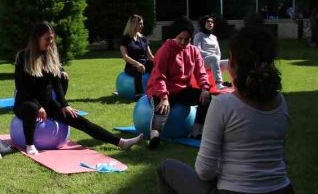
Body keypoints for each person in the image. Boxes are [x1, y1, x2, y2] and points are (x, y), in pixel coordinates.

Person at [156, 26, 295, 194]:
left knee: (167, 168)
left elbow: (204, 171)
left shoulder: (224, 105)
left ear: (234, 63)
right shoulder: (280, 102)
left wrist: (224, 172)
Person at [12, 22, 142, 155]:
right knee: (31, 108)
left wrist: (64, 105)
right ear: (37, 38)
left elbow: (56, 83)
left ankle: (121, 142)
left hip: (48, 104)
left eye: (52, 38)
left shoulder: (50, 55)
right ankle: (30, 145)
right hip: (25, 103)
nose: (51, 42)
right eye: (47, 39)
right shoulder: (23, 57)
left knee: (79, 120)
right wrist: (38, 106)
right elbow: (21, 87)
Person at [146, 16, 211, 148]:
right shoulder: (165, 50)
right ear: (175, 36)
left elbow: (201, 72)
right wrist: (164, 97)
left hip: (181, 90)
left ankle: (196, 131)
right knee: (162, 109)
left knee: (207, 98)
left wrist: (205, 88)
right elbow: (158, 75)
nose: (183, 42)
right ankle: (154, 137)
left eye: (186, 39)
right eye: (180, 38)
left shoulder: (193, 51)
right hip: (160, 89)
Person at [120, 14, 156, 100]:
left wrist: (160, 62)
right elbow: (125, 56)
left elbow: (150, 56)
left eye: (142, 23)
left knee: (156, 67)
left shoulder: (144, 39)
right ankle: (138, 95)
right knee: (138, 70)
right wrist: (137, 64)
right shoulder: (125, 38)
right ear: (133, 24)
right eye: (140, 24)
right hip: (132, 66)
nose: (142, 26)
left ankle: (156, 91)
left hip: (145, 63)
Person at [192, 15, 230, 91]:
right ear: (203, 23)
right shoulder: (198, 35)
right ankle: (218, 83)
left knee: (229, 62)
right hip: (202, 61)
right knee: (214, 58)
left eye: (212, 22)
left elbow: (218, 52)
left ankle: (235, 83)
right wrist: (213, 56)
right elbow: (197, 50)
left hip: (214, 61)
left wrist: (217, 59)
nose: (210, 23)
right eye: (208, 22)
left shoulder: (214, 37)